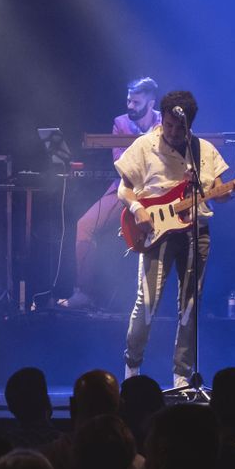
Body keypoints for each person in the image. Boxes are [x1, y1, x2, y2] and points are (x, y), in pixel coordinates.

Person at [118, 90, 235, 387]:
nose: (174, 132)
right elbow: (123, 190)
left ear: (190, 125)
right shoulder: (144, 146)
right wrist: (138, 208)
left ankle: (181, 376)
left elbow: (219, 192)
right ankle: (132, 369)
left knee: (190, 305)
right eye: (169, 125)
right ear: (162, 119)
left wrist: (234, 189)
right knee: (148, 302)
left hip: (196, 232)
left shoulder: (202, 150)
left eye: (181, 127)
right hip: (155, 231)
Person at [59, 77, 161, 311]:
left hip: (159, 191)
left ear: (150, 102)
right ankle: (83, 292)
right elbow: (119, 162)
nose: (130, 106)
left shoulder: (166, 123)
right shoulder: (120, 123)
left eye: (136, 102)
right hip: (125, 188)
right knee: (85, 225)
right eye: (128, 101)